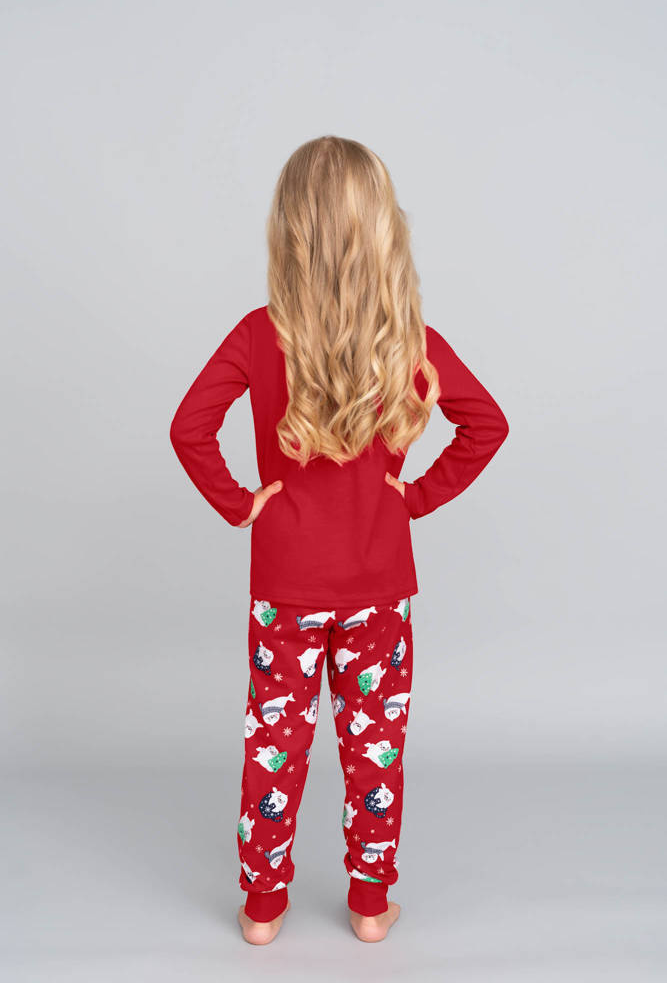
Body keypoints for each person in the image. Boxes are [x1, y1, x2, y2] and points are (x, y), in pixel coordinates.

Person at [169, 135, 509, 946]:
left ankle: (261, 911)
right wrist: (412, 500)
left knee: (274, 748)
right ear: (383, 230)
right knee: (374, 751)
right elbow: (486, 425)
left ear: (287, 232)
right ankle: (368, 906)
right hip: (378, 590)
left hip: (282, 588)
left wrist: (241, 505)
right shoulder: (409, 341)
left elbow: (188, 429)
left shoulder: (258, 335)